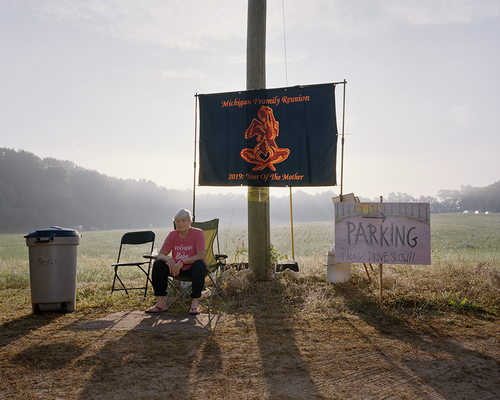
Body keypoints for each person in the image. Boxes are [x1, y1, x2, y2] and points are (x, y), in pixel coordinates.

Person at [145, 208, 206, 315]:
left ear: (189, 222)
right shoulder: (172, 235)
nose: (180, 224)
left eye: (183, 221)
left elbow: (201, 256)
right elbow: (160, 254)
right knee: (158, 264)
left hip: (193, 269)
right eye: (178, 221)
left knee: (200, 264)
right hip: (176, 270)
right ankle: (160, 304)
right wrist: (168, 259)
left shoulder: (198, 233)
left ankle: (195, 304)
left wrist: (182, 261)